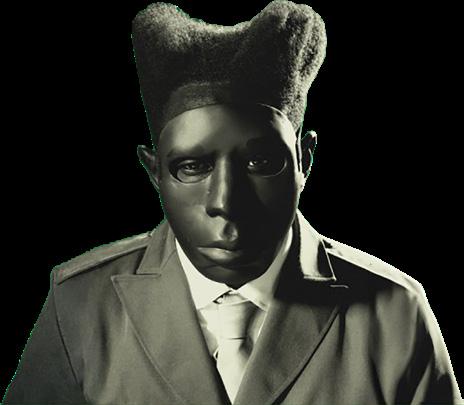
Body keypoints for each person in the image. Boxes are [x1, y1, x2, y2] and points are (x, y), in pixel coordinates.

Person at [3, 1, 461, 404]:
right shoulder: (80, 304)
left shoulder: (395, 311)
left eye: (261, 162)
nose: (225, 202)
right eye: (192, 167)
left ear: (304, 160)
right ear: (153, 171)